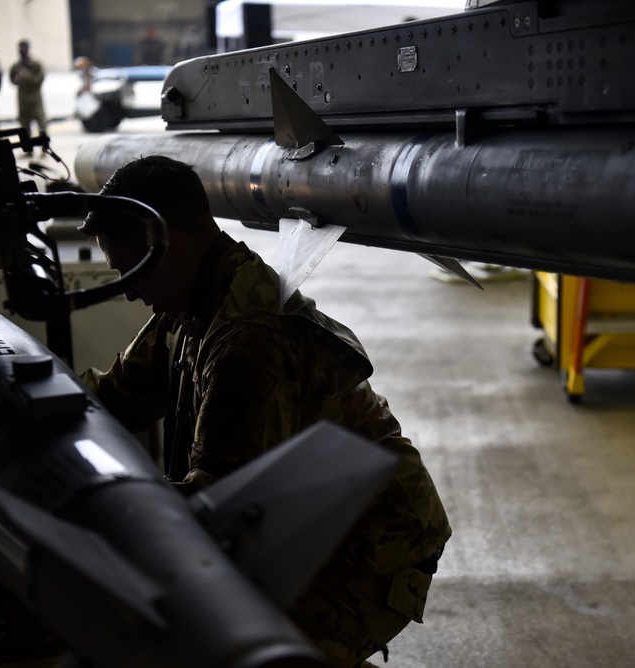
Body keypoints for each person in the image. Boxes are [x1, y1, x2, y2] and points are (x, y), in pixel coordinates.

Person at [78, 155, 451, 668]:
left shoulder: (248, 339)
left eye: (130, 270)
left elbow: (216, 516)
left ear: (165, 241)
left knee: (236, 648)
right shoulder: (191, 304)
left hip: (371, 545)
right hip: (317, 520)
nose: (129, 290)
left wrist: (93, 509)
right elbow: (117, 397)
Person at [8, 39, 46, 138]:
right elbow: (12, 80)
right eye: (19, 48)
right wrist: (17, 79)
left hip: (35, 99)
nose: (21, 50)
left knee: (41, 123)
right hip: (23, 99)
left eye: (23, 48)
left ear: (28, 49)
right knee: (24, 125)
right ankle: (28, 149)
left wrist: (26, 75)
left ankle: (44, 146)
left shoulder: (36, 65)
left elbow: (38, 80)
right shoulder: (16, 66)